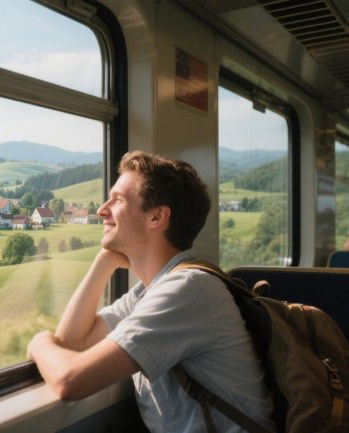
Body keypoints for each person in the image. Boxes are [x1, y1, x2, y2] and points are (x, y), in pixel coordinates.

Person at [28, 151, 274, 433]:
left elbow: (70, 382)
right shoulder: (146, 294)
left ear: (157, 216)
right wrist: (104, 261)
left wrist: (38, 342)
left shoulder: (188, 290)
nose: (101, 210)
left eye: (118, 200)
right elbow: (71, 343)